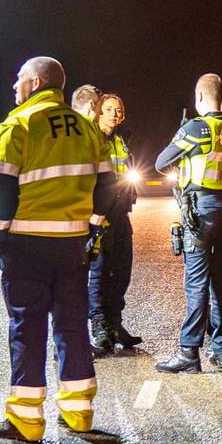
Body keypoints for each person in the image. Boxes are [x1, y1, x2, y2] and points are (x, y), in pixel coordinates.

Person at [0, 56, 117, 443]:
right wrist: (90, 227)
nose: (14, 85)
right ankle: (78, 413)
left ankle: (26, 419)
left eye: (19, 78)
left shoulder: (18, 125)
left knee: (27, 326)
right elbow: (108, 187)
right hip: (72, 245)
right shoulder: (88, 129)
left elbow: (1, 194)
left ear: (37, 82)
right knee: (72, 324)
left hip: (26, 245)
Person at [153, 74, 222, 372]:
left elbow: (160, 161)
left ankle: (189, 352)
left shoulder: (196, 128)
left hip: (200, 211)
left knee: (196, 283)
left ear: (200, 96)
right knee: (221, 282)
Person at [88, 93, 142, 354]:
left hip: (121, 215)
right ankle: (99, 328)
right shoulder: (92, 139)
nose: (114, 114)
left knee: (122, 271)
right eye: (108, 109)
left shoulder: (121, 140)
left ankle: (115, 325)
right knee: (99, 273)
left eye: (118, 110)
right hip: (100, 215)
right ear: (98, 112)